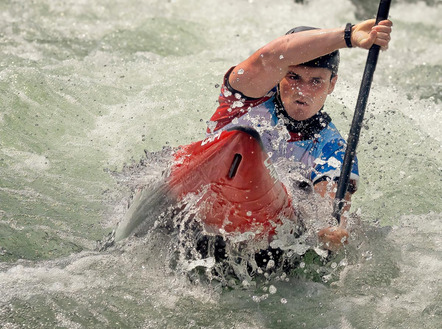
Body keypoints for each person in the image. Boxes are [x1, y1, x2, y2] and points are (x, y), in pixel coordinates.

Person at [206, 19, 393, 252]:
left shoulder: (332, 145)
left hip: (268, 238)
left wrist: (332, 229)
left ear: (332, 84)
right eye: (294, 77)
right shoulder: (245, 98)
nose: (302, 91)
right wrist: (350, 35)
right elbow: (270, 57)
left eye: (316, 81)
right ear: (279, 75)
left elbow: (332, 204)